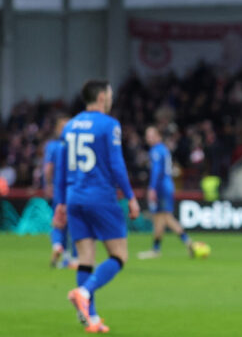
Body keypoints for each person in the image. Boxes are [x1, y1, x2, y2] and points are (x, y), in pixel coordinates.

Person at [52, 80, 141, 334]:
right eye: (110, 95)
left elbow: (61, 167)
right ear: (102, 97)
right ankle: (84, 292)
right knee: (119, 255)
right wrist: (131, 196)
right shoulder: (109, 125)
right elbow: (116, 165)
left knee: (85, 259)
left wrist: (59, 203)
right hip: (100, 196)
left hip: (74, 197)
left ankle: (91, 319)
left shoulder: (69, 126)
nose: (111, 99)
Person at [138, 126, 193, 259]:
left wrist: (152, 188)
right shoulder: (163, 149)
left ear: (158, 136)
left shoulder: (156, 150)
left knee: (165, 218)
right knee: (159, 218)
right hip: (167, 185)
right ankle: (156, 249)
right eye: (147, 135)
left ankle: (188, 241)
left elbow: (156, 171)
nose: (148, 138)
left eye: (151, 135)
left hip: (161, 187)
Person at [44, 113, 74, 268]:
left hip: (59, 188)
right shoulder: (75, 145)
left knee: (58, 219)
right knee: (73, 222)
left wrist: (48, 184)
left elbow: (48, 168)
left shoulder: (52, 146)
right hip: (75, 188)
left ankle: (57, 245)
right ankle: (71, 258)